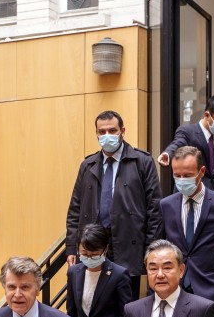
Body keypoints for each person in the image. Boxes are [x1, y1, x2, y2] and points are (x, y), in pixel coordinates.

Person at [65, 110, 163, 282]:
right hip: (93, 246)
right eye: (102, 132)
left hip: (129, 244)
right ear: (96, 133)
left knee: (126, 303)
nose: (107, 135)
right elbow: (75, 210)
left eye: (112, 131)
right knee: (95, 301)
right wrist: (72, 247)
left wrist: (151, 248)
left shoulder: (142, 162)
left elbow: (154, 209)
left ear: (122, 131)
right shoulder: (87, 165)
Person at [160, 145, 214, 317]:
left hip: (211, 293)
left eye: (188, 175)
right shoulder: (166, 205)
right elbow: (159, 250)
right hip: (173, 292)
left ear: (202, 172)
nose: (182, 180)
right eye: (177, 176)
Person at [157, 94, 214, 196]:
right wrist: (167, 154)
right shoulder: (188, 132)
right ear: (207, 115)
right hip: (191, 198)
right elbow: (178, 143)